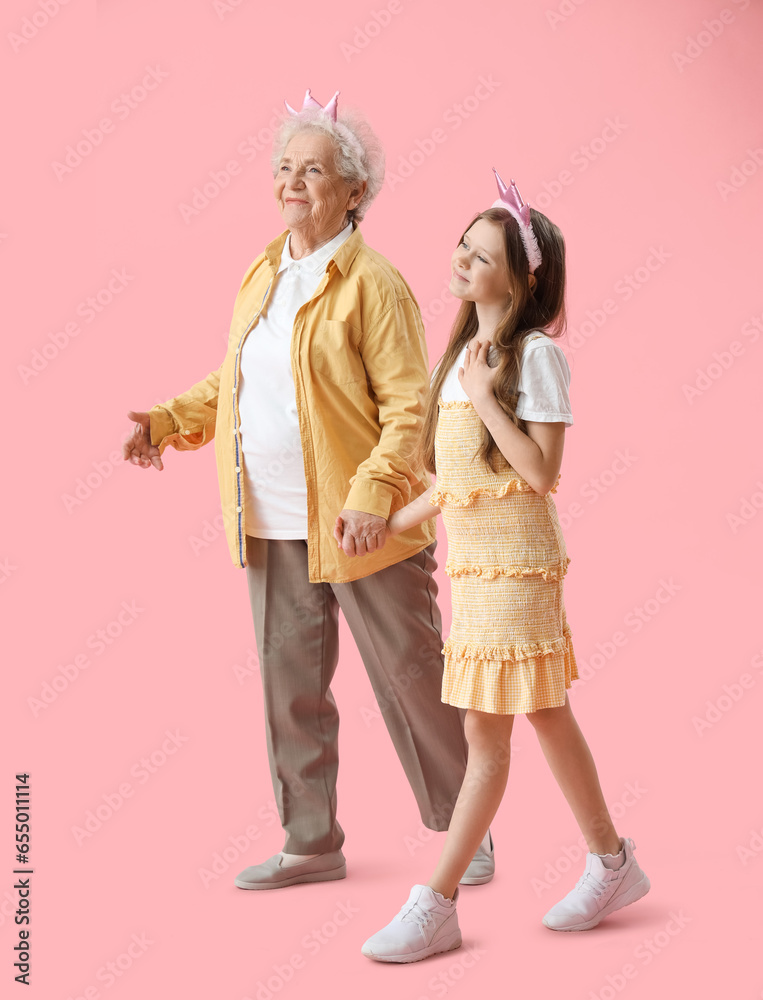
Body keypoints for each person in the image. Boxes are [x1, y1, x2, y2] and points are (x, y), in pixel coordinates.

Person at [121, 90, 494, 892]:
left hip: (366, 524)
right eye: (284, 168)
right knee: (287, 686)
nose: (292, 183)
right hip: (272, 520)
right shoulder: (265, 268)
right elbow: (239, 380)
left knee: (410, 676)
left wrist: (370, 494)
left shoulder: (374, 285)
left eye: (313, 170)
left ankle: (468, 831)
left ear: (354, 190)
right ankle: (310, 839)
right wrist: (166, 421)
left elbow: (408, 409)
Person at [353, 172, 650, 962]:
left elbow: (539, 474)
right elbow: (459, 485)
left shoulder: (532, 357)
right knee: (544, 716)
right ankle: (612, 862)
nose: (461, 261)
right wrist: (389, 526)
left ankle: (436, 901)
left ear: (522, 279)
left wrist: (489, 399)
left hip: (519, 569)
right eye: (462, 246)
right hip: (477, 571)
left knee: (488, 737)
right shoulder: (460, 358)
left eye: (481, 256)